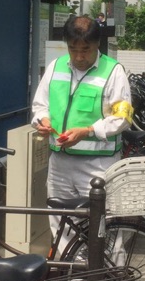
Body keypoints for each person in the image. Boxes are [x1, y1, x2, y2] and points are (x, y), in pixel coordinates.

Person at [32, 14, 133, 247]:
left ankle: (110, 280)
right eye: (72, 49)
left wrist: (87, 130)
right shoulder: (55, 67)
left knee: (104, 227)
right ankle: (71, 277)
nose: (79, 56)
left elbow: (122, 117)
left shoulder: (113, 71)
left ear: (98, 44)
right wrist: (43, 120)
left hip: (98, 166)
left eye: (85, 50)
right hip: (59, 162)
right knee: (61, 225)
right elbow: (40, 105)